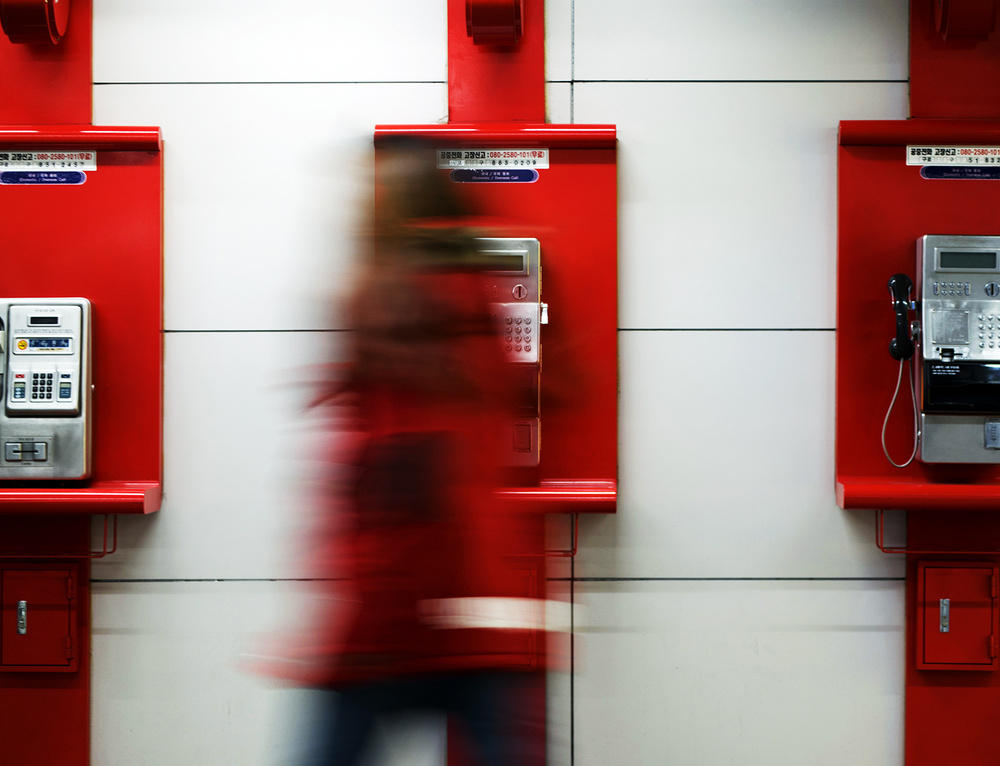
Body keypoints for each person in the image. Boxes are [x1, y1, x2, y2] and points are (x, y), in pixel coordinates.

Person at [294, 138, 544, 766]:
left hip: (392, 612)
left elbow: (394, 472)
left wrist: (364, 607)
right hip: (486, 597)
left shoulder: (382, 305)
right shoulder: (485, 301)